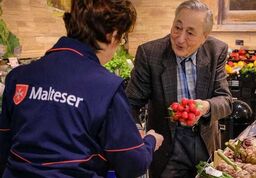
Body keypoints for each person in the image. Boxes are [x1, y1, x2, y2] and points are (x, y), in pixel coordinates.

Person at [0, 0, 163, 178]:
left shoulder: (19, 77)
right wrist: (150, 141)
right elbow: (132, 164)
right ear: (112, 34)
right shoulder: (106, 87)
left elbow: (4, 144)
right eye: (122, 38)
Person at [126, 0, 232, 177]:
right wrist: (139, 132)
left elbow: (226, 101)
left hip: (204, 143)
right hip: (167, 148)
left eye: (190, 33)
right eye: (177, 28)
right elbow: (130, 103)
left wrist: (205, 107)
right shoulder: (150, 53)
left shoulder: (216, 51)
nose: (180, 38)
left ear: (204, 37)